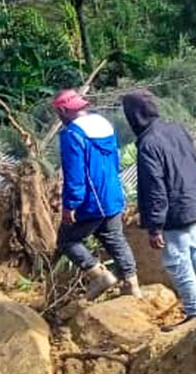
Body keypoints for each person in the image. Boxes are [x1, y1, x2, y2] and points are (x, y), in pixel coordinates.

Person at [122, 89, 196, 330]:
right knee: (193, 250)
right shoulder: (177, 130)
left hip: (174, 212)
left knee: (177, 261)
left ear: (133, 116)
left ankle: (193, 311)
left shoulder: (148, 144)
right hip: (193, 202)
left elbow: (154, 188)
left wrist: (155, 226)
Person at [53, 88, 140, 300]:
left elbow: (75, 173)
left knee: (67, 241)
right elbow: (116, 161)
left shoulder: (72, 133)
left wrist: (71, 205)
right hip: (112, 195)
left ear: (63, 111)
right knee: (115, 239)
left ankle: (100, 276)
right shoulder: (105, 125)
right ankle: (132, 287)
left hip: (91, 201)